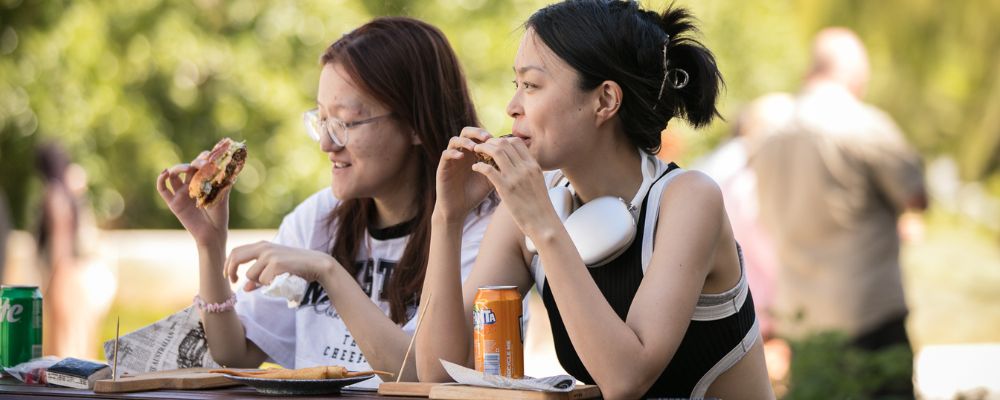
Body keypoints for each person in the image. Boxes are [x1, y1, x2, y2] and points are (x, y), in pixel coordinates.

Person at [416, 2, 773, 399]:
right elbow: (439, 371)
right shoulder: (535, 207)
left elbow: (625, 379)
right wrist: (447, 218)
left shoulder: (688, 200)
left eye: (531, 85)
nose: (512, 107)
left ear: (604, 101)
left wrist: (542, 223)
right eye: (514, 85)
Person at [156, 17, 493, 383]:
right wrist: (210, 244)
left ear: (415, 123)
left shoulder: (479, 228)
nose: (325, 144)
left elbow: (424, 375)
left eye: (345, 123)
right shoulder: (318, 218)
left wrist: (328, 272)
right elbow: (234, 352)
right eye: (322, 119)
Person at [751, 28, 926, 395]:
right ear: (854, 74)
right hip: (868, 314)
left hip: (802, 320)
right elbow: (917, 196)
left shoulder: (768, 135)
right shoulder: (862, 124)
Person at [35, 143, 116, 359]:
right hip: (85, 272)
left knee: (63, 345)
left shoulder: (55, 193)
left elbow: (60, 240)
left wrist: (55, 280)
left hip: (67, 272)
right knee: (81, 343)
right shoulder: (70, 188)